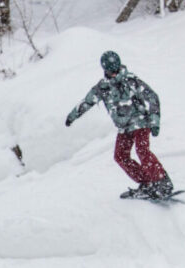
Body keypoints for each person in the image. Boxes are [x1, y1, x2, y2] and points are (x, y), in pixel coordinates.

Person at [65, 51, 174, 199]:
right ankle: (147, 182)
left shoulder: (131, 81)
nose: (115, 74)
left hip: (140, 121)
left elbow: (152, 97)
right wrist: (72, 117)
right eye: (112, 71)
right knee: (120, 156)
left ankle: (162, 182)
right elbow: (87, 102)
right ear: (106, 70)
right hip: (124, 128)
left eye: (117, 70)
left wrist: (154, 121)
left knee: (142, 150)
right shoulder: (102, 88)